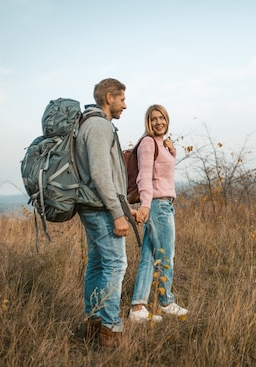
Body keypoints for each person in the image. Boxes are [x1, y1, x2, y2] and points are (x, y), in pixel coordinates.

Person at [75, 78, 132, 348]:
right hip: (100, 208)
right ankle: (110, 331)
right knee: (115, 265)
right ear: (109, 97)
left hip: (95, 206)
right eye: (122, 99)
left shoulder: (91, 124)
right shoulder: (99, 126)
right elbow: (100, 174)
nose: (125, 105)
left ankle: (95, 324)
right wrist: (117, 213)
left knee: (98, 264)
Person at [129, 104, 188, 323]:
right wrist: (144, 205)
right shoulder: (147, 143)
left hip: (163, 204)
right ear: (148, 122)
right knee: (165, 256)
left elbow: (163, 173)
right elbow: (144, 176)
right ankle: (166, 302)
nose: (158, 122)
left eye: (161, 117)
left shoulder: (162, 144)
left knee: (149, 257)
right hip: (157, 206)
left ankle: (137, 308)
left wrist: (172, 151)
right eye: (153, 119)